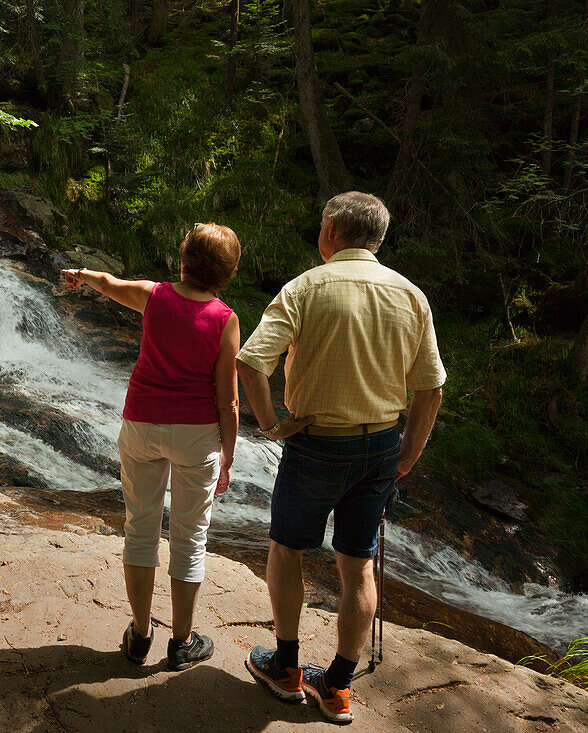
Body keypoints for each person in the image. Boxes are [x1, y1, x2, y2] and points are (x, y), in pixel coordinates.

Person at [236, 192, 445, 724]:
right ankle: (338, 687)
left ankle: (284, 668)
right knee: (358, 566)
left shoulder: (306, 287)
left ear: (331, 229)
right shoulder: (410, 294)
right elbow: (430, 390)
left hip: (315, 441)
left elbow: (252, 362)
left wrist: (270, 425)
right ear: (377, 238)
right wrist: (408, 455)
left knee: (287, 551)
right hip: (380, 443)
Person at [61, 223, 241, 671]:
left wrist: (81, 273)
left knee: (140, 529)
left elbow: (110, 283)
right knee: (189, 536)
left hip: (142, 421)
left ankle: (139, 635)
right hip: (197, 433)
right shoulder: (225, 319)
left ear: (183, 260)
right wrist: (228, 457)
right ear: (227, 272)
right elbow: (229, 399)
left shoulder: (155, 295)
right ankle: (181, 642)